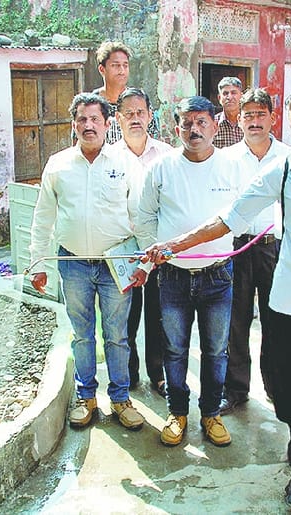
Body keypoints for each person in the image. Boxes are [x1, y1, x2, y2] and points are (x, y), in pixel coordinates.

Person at [142, 86, 291, 513]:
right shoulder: (283, 170)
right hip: (290, 299)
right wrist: (175, 244)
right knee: (282, 386)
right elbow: (230, 217)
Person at [29, 92, 147, 431]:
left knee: (117, 336)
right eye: (82, 119)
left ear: (108, 124)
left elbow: (141, 215)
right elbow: (43, 216)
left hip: (116, 264)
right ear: (73, 125)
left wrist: (145, 261)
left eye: (95, 119)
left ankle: (121, 399)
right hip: (74, 263)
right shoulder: (59, 164)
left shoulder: (124, 163)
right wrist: (37, 263)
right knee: (82, 335)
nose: (88, 125)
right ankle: (86, 397)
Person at [134, 96, 244, 447]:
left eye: (201, 122)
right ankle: (177, 412)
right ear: (176, 127)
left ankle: (210, 413)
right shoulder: (162, 168)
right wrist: (154, 252)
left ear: (215, 125)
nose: (194, 129)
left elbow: (241, 219)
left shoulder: (232, 167)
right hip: (173, 277)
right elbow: (143, 216)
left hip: (218, 275)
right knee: (175, 348)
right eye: (187, 123)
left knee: (216, 350)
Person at [218, 88, 291, 415]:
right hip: (237, 248)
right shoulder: (228, 158)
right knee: (236, 320)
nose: (254, 121)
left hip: (275, 248)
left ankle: (276, 388)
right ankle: (236, 389)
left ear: (273, 118)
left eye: (261, 114)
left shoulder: (288, 157)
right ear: (240, 120)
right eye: (248, 115)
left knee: (276, 319)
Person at [112, 87, 173, 396]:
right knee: (126, 316)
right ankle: (129, 372)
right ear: (118, 118)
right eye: (129, 114)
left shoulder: (167, 155)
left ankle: (158, 373)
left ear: (150, 115)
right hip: (124, 251)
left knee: (158, 315)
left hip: (159, 249)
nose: (135, 119)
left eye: (140, 112)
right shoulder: (109, 157)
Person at [92, 41, 159, 144]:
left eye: (125, 65)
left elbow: (153, 141)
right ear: (102, 69)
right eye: (115, 65)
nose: (122, 71)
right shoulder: (91, 104)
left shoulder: (139, 101)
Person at [212, 76, 244, 148]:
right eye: (225, 93)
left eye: (233, 93)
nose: (229, 97)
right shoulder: (212, 123)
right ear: (219, 98)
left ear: (241, 97)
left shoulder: (248, 122)